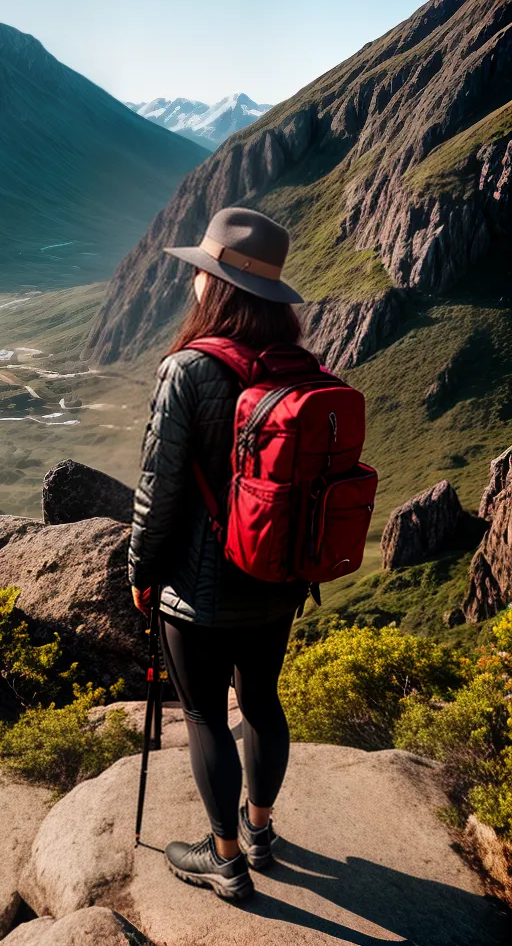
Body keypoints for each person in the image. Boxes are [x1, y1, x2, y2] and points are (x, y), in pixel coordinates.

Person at [129, 206, 309, 902]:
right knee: (262, 698)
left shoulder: (188, 369)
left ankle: (224, 859)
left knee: (206, 714)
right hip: (279, 575)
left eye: (201, 275)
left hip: (200, 589)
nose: (193, 285)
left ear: (217, 286)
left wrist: (142, 574)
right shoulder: (299, 365)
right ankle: (261, 832)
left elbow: (158, 489)